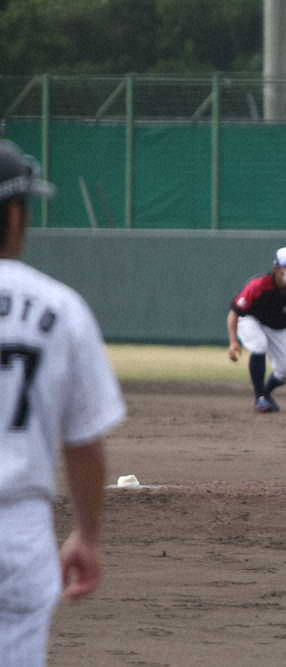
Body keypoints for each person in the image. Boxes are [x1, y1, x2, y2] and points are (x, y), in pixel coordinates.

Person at [0, 139, 126, 666]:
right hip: (18, 532)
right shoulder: (58, 307)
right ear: (13, 215)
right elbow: (83, 444)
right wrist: (88, 535)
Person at [227, 247, 286, 413]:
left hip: (276, 328)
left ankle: (266, 393)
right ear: (276, 268)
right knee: (259, 345)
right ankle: (259, 398)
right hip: (250, 320)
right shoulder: (258, 286)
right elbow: (234, 313)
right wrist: (233, 342)